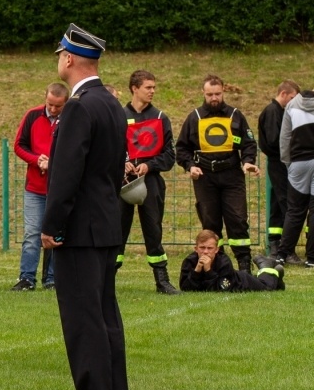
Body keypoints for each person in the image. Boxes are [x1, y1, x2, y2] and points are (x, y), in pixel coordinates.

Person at [41, 24, 128, 390]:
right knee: (105, 315)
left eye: (61, 53)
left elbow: (66, 175)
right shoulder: (110, 103)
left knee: (83, 318)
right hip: (107, 223)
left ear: (70, 58)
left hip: (80, 229)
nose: (59, 59)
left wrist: (52, 225)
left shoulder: (78, 106)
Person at [175, 74, 260, 272]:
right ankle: (215, 265)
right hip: (205, 177)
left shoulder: (235, 115)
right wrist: (190, 166)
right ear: (203, 94)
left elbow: (249, 144)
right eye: (210, 94)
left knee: (237, 220)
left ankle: (244, 266)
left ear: (224, 92)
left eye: (218, 94)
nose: (214, 98)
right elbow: (182, 148)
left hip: (232, 175)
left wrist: (248, 162)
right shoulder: (194, 117)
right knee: (210, 223)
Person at [117, 70, 181, 295]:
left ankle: (162, 281)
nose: (153, 91)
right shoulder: (118, 115)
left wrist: (149, 165)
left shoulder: (161, 118)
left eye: (154, 87)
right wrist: (121, 163)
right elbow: (108, 149)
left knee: (153, 230)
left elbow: (169, 155)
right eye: (148, 87)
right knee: (117, 231)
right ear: (134, 88)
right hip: (122, 182)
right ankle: (107, 279)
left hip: (151, 181)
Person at [11, 82, 69, 291]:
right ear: (45, 98)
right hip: (35, 188)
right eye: (50, 104)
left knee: (56, 234)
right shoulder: (32, 116)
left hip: (59, 189)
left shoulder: (71, 120)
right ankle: (27, 277)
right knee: (32, 233)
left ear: (66, 103)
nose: (52, 110)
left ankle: (52, 279)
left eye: (58, 106)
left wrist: (53, 163)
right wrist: (37, 160)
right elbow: (18, 145)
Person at [258, 80, 302, 261]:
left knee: (278, 202)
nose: (293, 103)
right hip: (279, 162)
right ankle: (287, 249)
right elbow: (273, 141)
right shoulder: (272, 112)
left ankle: (276, 244)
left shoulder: (281, 112)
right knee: (287, 204)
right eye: (292, 98)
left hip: (282, 162)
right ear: (283, 94)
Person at [277, 88, 314, 267]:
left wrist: (288, 163)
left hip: (298, 163)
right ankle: (312, 258)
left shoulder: (292, 104)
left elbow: (284, 138)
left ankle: (282, 254)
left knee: (295, 210)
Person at [179, 229, 284, 291]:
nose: (205, 252)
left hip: (242, 282)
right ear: (196, 249)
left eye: (210, 248)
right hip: (233, 280)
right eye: (202, 248)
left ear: (216, 250)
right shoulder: (189, 262)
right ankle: (271, 272)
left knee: (267, 289)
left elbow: (221, 289)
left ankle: (266, 267)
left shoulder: (224, 261)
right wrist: (196, 271)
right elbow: (185, 288)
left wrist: (208, 271)